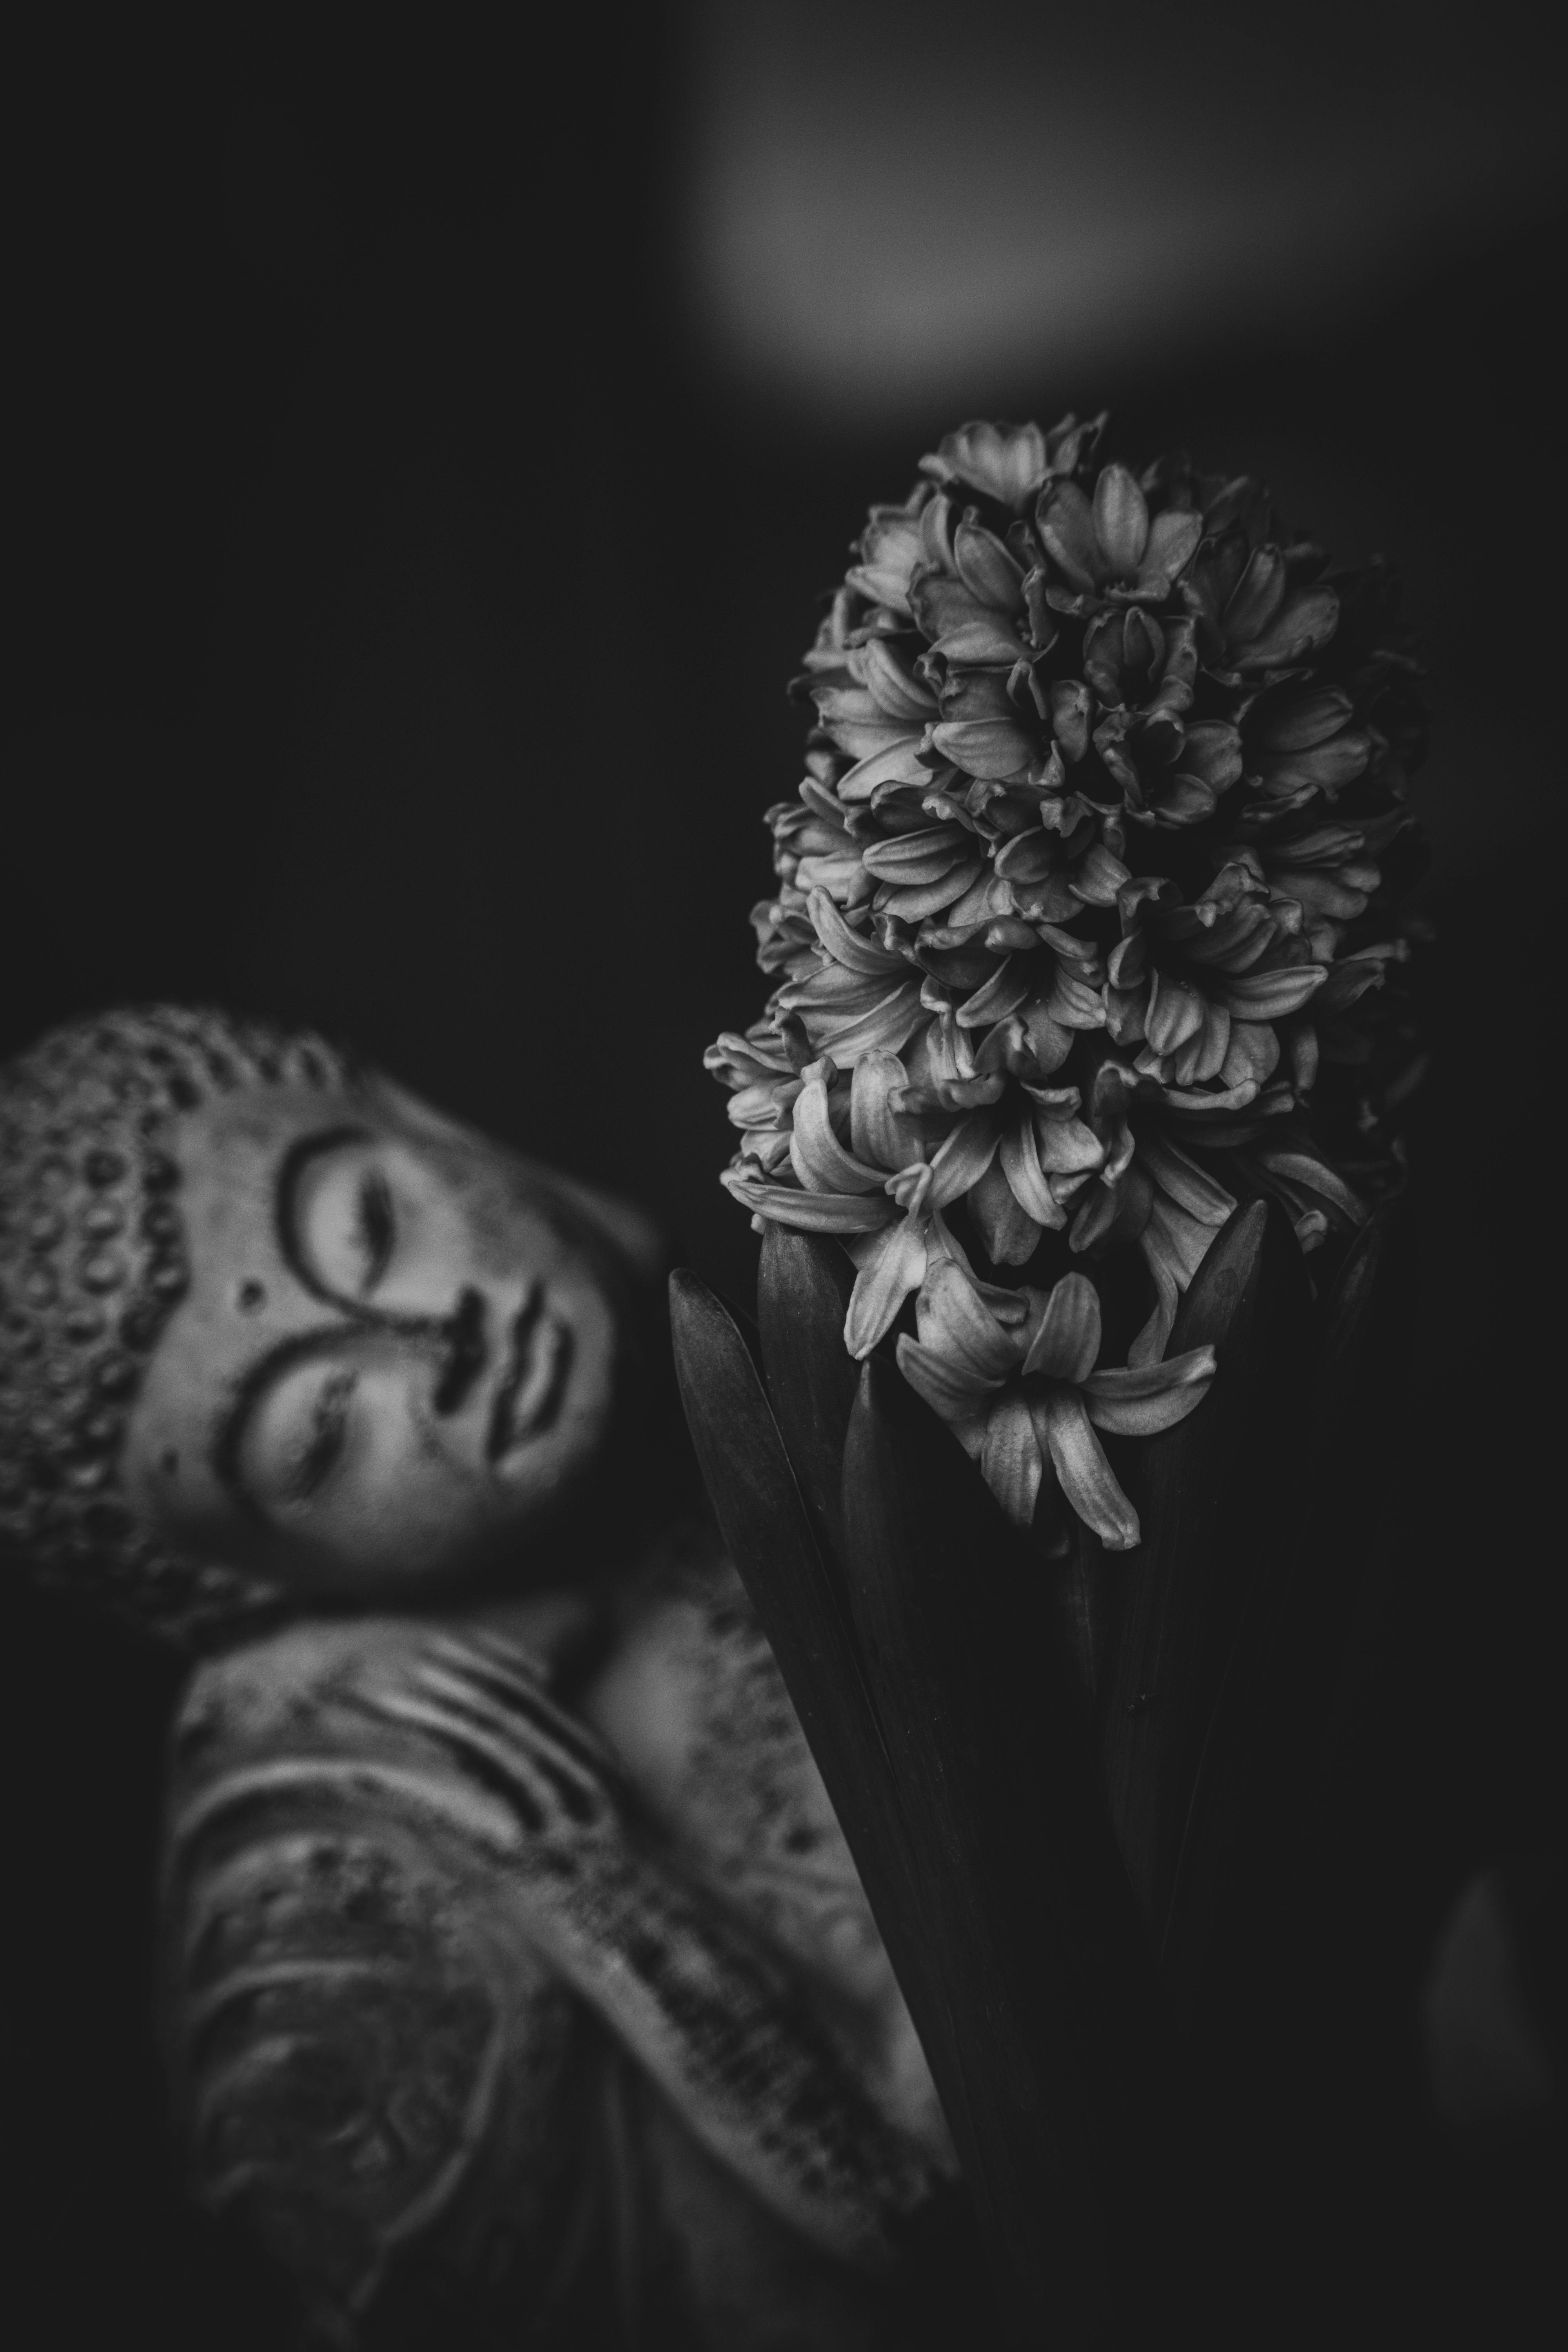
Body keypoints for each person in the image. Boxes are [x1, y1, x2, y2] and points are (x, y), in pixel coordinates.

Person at [0, 1005, 955, 2350]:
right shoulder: (379, 1835)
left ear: (414, 1116)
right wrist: (598, 1894)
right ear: (270, 1597)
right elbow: (975, 2182)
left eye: (372, 1225)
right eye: (320, 1431)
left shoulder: (887, 1305)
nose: (437, 1335)